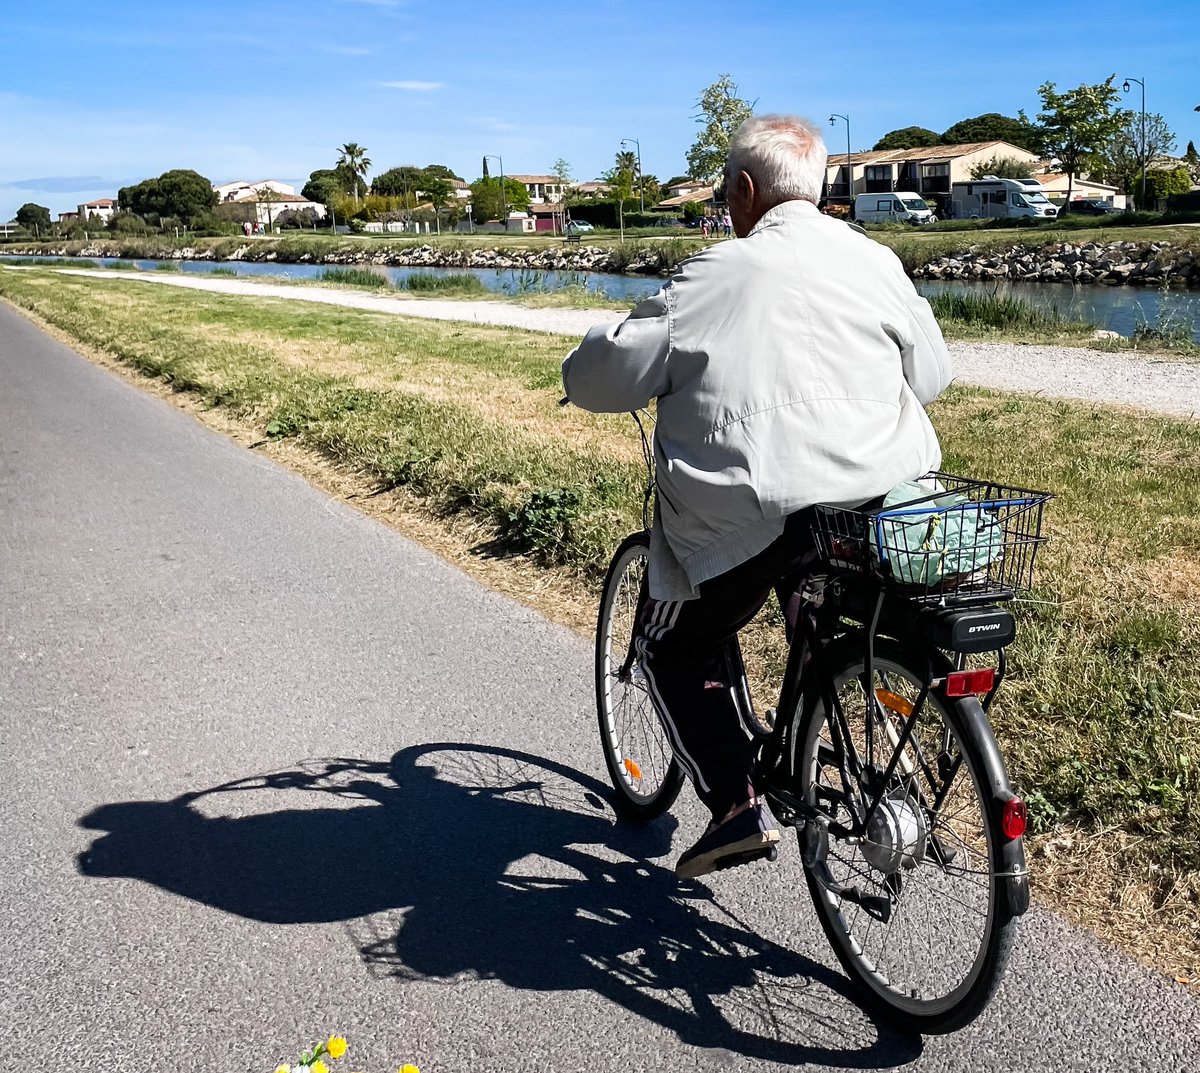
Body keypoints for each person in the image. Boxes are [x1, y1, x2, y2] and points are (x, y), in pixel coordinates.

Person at [561, 114, 952, 880]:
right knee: (819, 585)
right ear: (818, 186)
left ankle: (737, 805)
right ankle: (841, 719)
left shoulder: (712, 275)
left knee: (667, 644)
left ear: (743, 191)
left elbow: (607, 373)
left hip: (760, 511)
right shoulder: (875, 261)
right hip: (878, 501)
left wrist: (578, 368)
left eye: (724, 190)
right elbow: (931, 374)